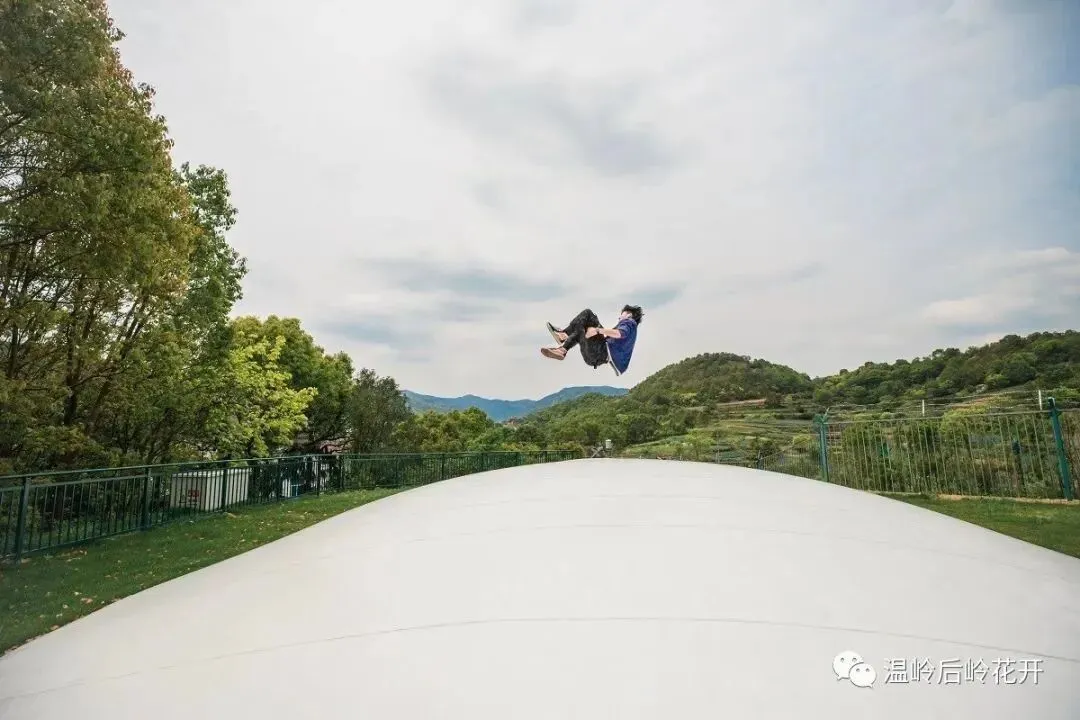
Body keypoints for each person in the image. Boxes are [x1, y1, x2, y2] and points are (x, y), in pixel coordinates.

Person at [540, 305, 642, 375]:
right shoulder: (630, 329)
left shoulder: (629, 322)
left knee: (588, 314)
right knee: (582, 328)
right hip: (594, 358)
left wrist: (597, 330)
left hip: (600, 352)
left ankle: (564, 335)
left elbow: (619, 333)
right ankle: (562, 349)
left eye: (622, 314)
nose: (619, 317)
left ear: (629, 315)